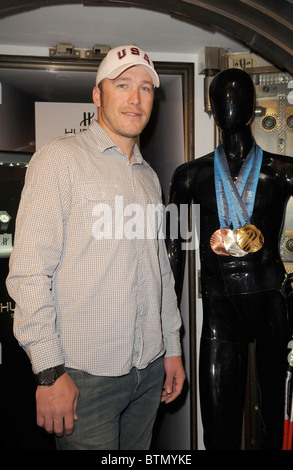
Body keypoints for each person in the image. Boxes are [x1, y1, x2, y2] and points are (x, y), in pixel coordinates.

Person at [6, 45, 185, 451]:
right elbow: (29, 271)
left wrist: (171, 347)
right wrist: (49, 373)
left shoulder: (148, 178)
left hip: (149, 369)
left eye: (145, 88)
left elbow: (159, 269)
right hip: (85, 377)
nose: (135, 98)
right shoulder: (59, 159)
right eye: (122, 85)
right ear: (97, 95)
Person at [166, 68, 293, 450]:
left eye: (238, 98)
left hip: (273, 304)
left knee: (276, 422)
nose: (231, 106)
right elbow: (172, 248)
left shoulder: (283, 171)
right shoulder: (189, 176)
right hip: (220, 312)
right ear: (212, 109)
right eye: (223, 99)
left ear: (254, 108)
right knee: (218, 431)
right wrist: (168, 325)